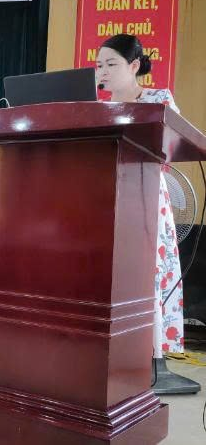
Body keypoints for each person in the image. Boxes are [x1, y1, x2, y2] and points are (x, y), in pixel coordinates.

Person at [96, 34, 192, 390]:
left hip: (147, 195)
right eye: (98, 66)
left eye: (111, 64)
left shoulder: (158, 100)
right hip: (106, 198)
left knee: (147, 275)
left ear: (134, 65)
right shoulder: (97, 108)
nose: (102, 72)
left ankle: (152, 359)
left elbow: (173, 146)